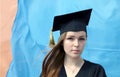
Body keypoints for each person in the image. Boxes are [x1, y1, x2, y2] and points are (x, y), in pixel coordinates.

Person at [40, 9, 107, 77]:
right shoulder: (50, 71)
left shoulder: (96, 71)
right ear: (62, 42)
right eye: (70, 38)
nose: (76, 44)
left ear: (86, 40)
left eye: (81, 39)